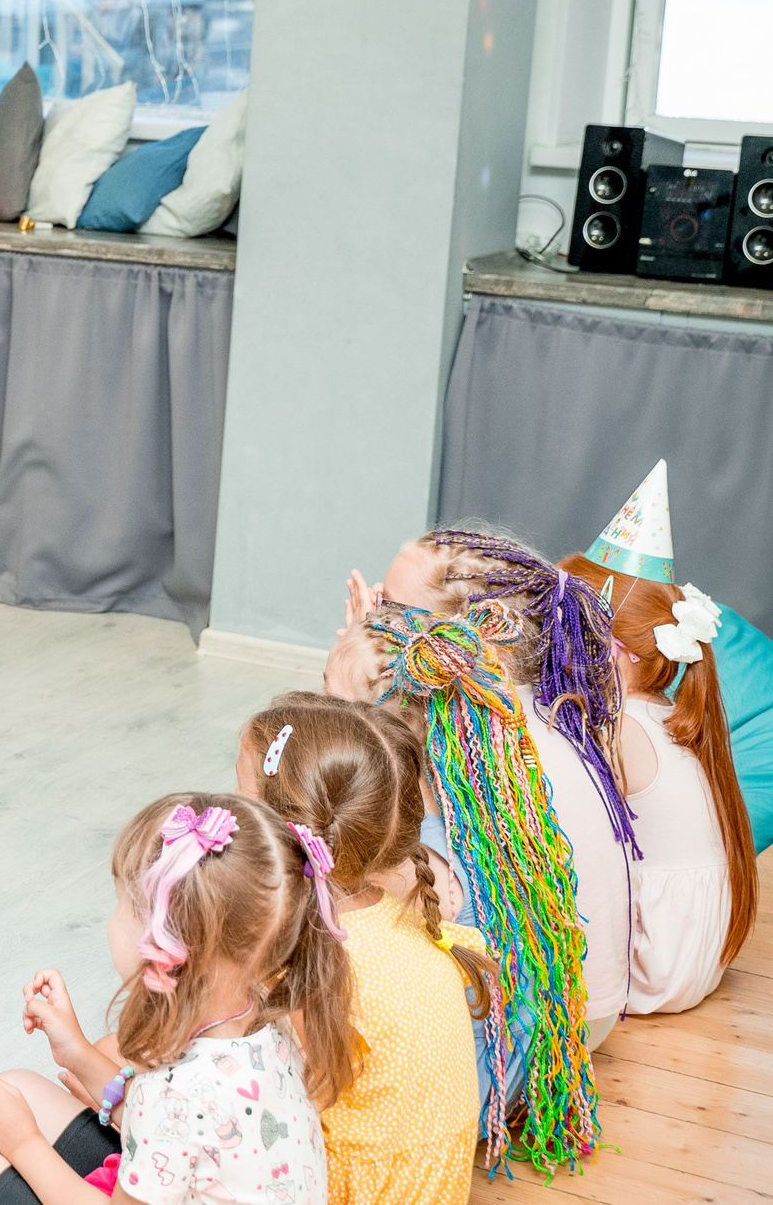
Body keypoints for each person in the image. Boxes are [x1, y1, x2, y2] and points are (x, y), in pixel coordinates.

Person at [0, 793, 349, 1205]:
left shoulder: (169, 1098)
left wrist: (23, 1142)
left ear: (165, 946)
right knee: (17, 1085)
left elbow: (172, 1113)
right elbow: (192, 1126)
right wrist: (75, 1052)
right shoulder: (264, 1014)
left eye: (122, 903)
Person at [324, 526, 633, 1050]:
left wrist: (360, 690)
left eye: (392, 609)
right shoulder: (546, 706)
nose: (379, 618)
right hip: (592, 1007)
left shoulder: (471, 748)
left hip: (540, 1033)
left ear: (469, 633)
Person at [367, 604, 600, 1175]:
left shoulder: (410, 862)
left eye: (330, 697)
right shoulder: (503, 827)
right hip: (508, 1080)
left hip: (437, 1113)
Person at [238, 695, 496, 1203]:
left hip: (360, 1187)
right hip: (433, 1185)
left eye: (243, 798)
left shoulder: (316, 961)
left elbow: (271, 1102)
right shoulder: (405, 915)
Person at [559, 462, 758, 1014]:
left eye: (567, 636)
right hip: (699, 954)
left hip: (653, 965)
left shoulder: (618, 728)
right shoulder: (667, 711)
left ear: (612, 650)